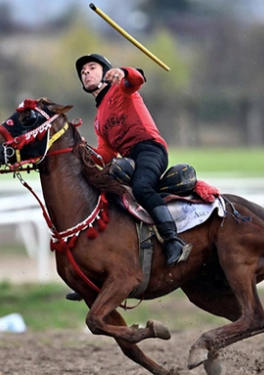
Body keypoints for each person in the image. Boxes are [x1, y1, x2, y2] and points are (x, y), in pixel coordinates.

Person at [67, 54, 190, 302]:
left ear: (106, 72)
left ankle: (173, 239)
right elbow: (106, 153)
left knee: (143, 187)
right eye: (83, 72)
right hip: (129, 159)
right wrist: (81, 151)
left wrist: (123, 72)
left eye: (92, 68)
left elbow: (138, 78)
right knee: (104, 194)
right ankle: (96, 273)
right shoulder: (99, 119)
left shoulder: (121, 88)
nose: (86, 73)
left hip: (150, 149)